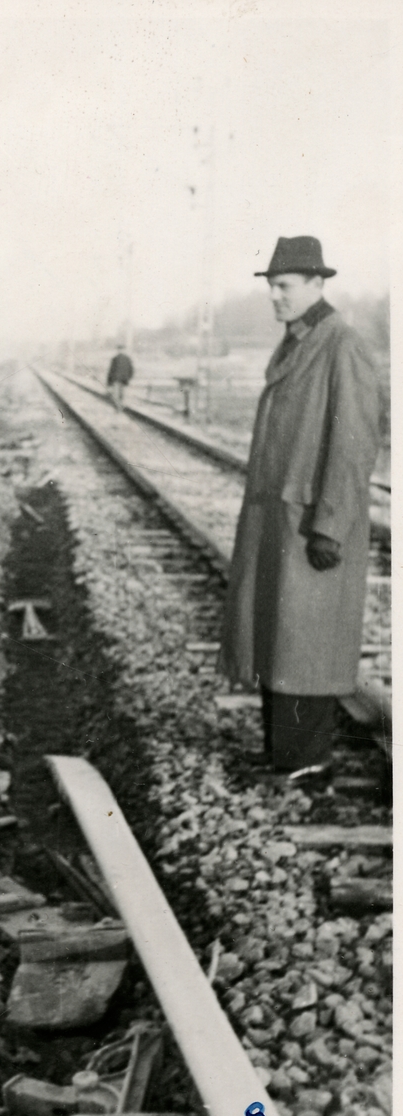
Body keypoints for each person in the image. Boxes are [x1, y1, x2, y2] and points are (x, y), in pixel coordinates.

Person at [219, 237, 381, 780]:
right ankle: (281, 755)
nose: (275, 296)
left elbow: (354, 444)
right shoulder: (295, 342)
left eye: (284, 286)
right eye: (271, 286)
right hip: (280, 522)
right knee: (279, 640)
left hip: (311, 525)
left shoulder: (342, 345)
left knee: (305, 646)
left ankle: (307, 762)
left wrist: (330, 527)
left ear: (317, 284)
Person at [106, 344, 134, 410]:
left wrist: (109, 381)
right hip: (124, 379)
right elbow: (131, 370)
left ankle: (118, 406)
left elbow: (111, 370)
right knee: (122, 393)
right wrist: (129, 377)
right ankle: (120, 404)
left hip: (116, 379)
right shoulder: (127, 358)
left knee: (116, 393)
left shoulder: (115, 359)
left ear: (118, 350)